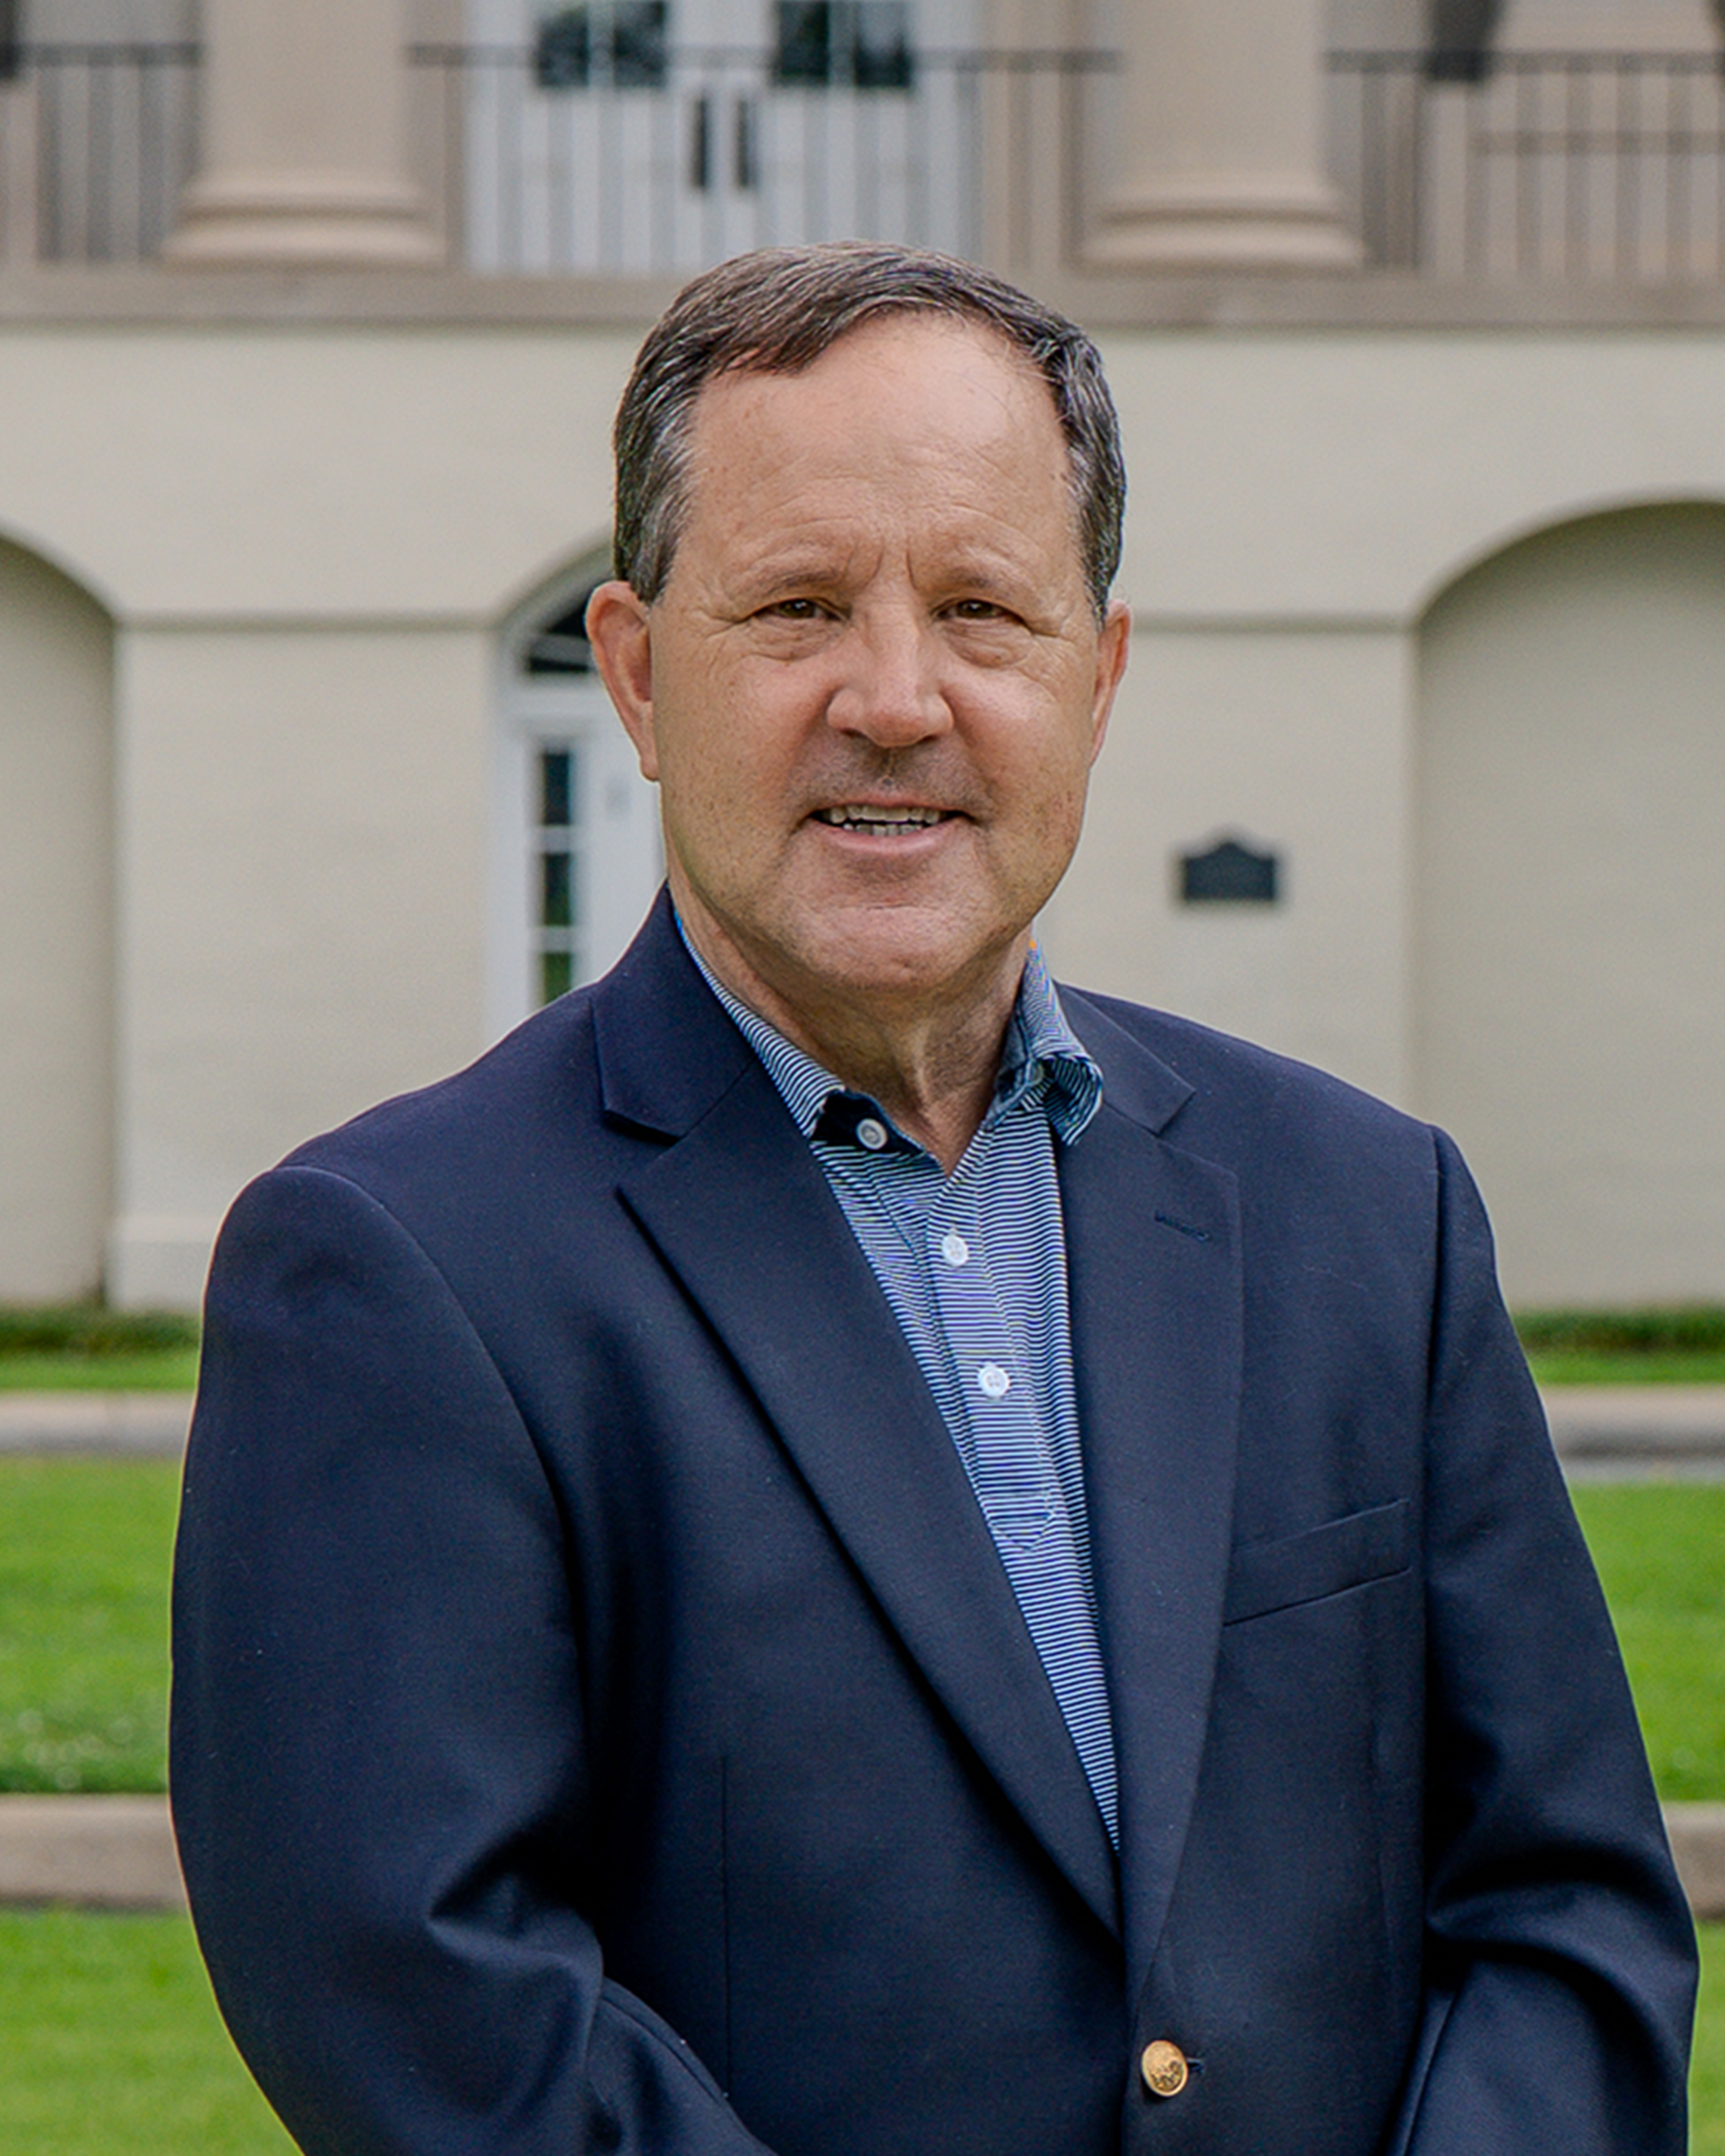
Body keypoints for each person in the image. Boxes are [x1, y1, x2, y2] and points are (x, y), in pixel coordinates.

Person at [171, 243, 1696, 2156]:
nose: (896, 700)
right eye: (799, 606)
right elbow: (424, 2001)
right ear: (638, 676)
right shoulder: (398, 1269)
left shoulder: (1370, 1214)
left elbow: (1566, 1915)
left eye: (985, 611)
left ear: (1098, 675)